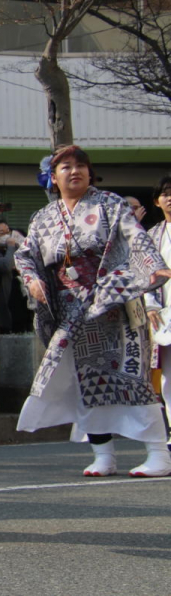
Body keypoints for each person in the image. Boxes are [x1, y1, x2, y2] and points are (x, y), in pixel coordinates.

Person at [16, 146, 171, 478]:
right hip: (67, 310)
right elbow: (26, 255)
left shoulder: (110, 204)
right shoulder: (42, 217)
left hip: (112, 303)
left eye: (81, 166)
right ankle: (103, 455)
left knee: (132, 379)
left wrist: (152, 266)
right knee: (84, 382)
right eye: (66, 167)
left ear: (90, 173)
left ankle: (159, 453)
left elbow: (135, 237)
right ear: (53, 177)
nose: (75, 171)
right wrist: (32, 280)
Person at [144, 175, 171, 434]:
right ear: (156, 201)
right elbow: (145, 276)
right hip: (165, 315)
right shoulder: (152, 236)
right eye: (165, 193)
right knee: (169, 376)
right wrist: (150, 305)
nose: (170, 198)